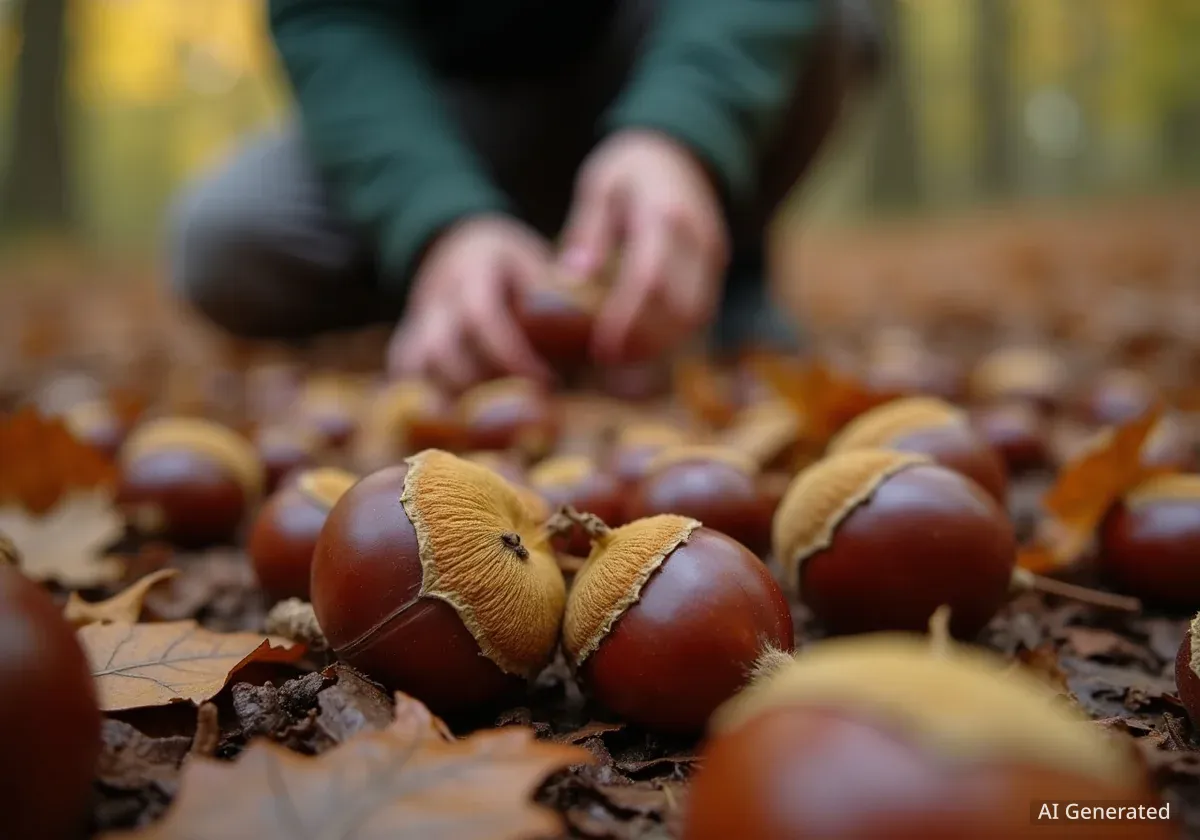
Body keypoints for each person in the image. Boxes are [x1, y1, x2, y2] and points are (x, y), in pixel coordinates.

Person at [170, 0, 879, 391]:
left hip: (652, 51)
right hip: (447, 111)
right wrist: (439, 219)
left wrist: (678, 131)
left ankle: (715, 267)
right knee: (229, 233)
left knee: (833, 18)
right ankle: (469, 300)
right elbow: (326, 15)